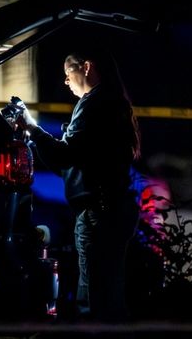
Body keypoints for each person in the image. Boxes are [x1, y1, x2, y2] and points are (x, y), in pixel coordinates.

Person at [17, 47, 141, 323]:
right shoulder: (113, 102)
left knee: (94, 299)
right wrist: (36, 134)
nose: (65, 81)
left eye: (67, 72)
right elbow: (69, 164)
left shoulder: (94, 104)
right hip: (113, 208)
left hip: (98, 213)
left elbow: (66, 155)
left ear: (86, 67)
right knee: (110, 295)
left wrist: (31, 128)